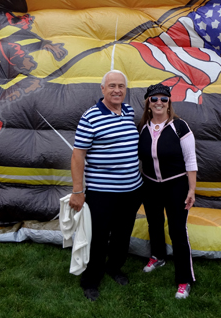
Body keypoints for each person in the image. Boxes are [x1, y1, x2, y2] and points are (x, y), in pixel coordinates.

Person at [69, 70, 143, 301]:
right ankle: (91, 280)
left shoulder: (128, 111)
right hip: (102, 193)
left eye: (121, 86)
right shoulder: (90, 117)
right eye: (112, 86)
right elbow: (78, 155)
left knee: (123, 235)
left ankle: (114, 268)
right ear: (102, 89)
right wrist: (78, 191)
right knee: (99, 238)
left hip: (131, 190)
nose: (117, 90)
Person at [138, 83, 198, 299]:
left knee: (178, 230)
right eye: (154, 99)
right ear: (148, 103)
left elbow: (190, 159)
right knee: (153, 222)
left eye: (164, 99)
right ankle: (158, 256)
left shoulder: (180, 126)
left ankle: (185, 279)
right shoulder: (142, 127)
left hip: (176, 184)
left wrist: (191, 189)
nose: (159, 103)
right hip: (150, 184)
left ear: (169, 102)